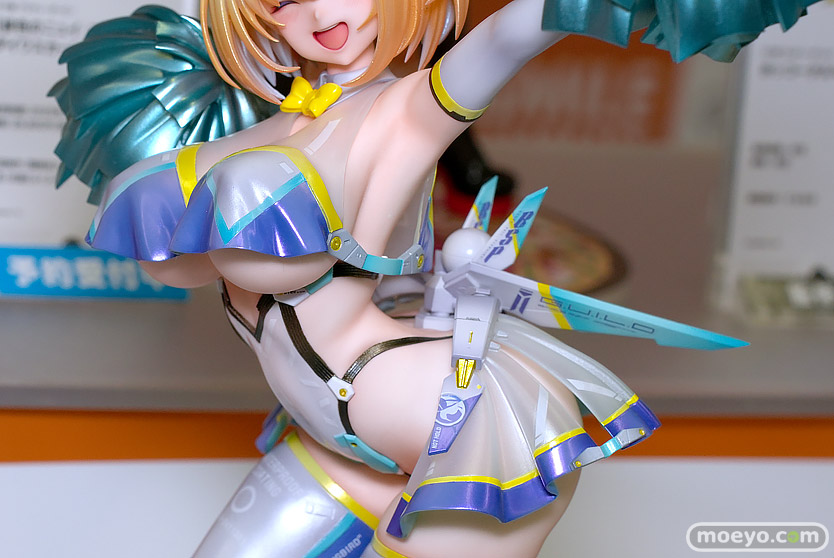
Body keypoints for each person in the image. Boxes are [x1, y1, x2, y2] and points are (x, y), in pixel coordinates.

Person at [61, 0, 799, 556]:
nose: (320, 14)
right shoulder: (258, 129)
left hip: (456, 431)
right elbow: (176, 263)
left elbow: (512, 34)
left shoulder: (405, 112)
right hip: (328, 437)